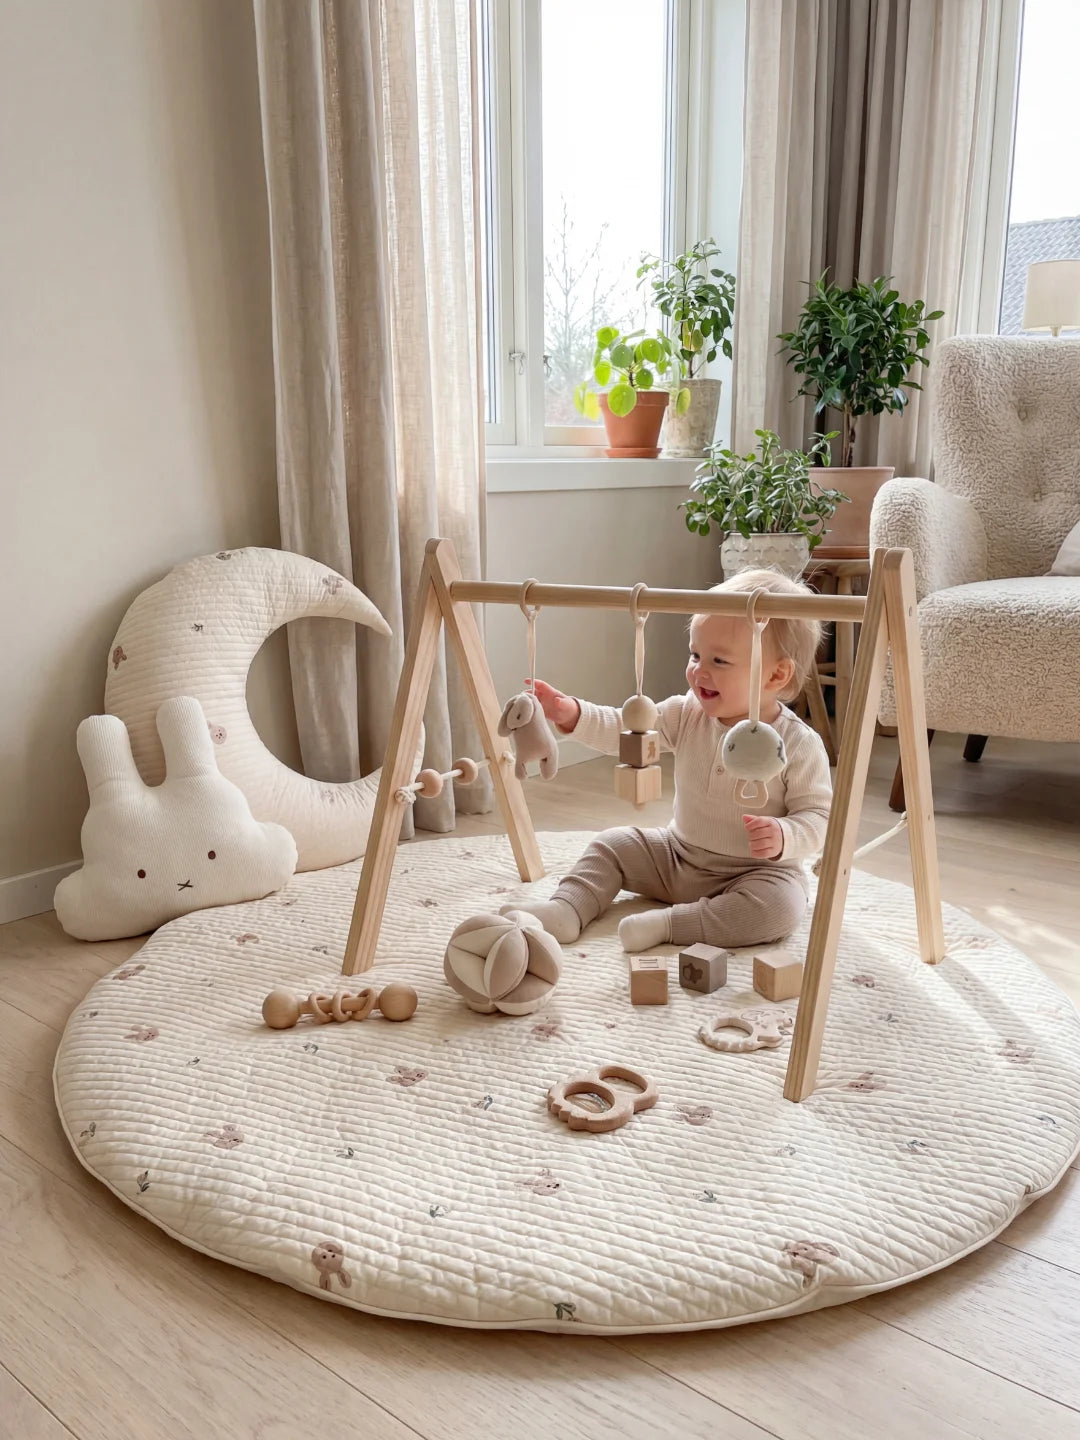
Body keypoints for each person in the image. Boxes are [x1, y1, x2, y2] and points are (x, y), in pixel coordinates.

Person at [506, 568, 833, 953]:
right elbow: (626, 729)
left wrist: (784, 836)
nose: (699, 670)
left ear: (776, 674)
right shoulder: (686, 713)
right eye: (695, 654)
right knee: (612, 844)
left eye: (719, 661)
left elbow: (819, 818)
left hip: (754, 873)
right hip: (677, 857)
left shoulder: (798, 743)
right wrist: (572, 713)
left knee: (780, 909)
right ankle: (567, 909)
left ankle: (670, 924)